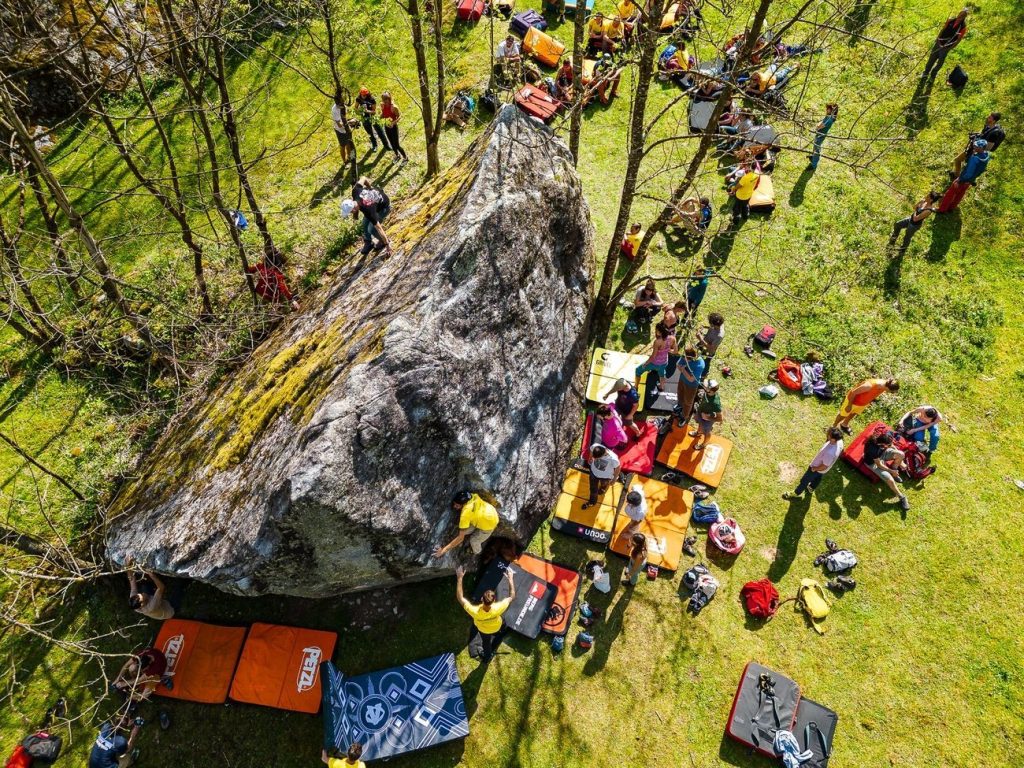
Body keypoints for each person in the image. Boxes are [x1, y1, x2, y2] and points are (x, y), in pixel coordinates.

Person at [456, 565, 514, 662]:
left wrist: (460, 578)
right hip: (497, 625)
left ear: (482, 599)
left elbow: (460, 597)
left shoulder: (474, 612)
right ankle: (502, 632)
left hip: (484, 631)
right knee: (503, 624)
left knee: (486, 644)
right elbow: (512, 596)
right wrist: (510, 579)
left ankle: (487, 657)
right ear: (494, 600)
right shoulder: (499, 607)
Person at [783, 426, 844, 499]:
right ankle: (811, 487)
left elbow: (824, 466)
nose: (827, 432)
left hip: (817, 468)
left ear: (833, 439)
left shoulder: (830, 453)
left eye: (829, 433)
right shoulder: (839, 442)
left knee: (804, 480)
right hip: (822, 471)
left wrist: (814, 469)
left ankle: (796, 493)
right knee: (818, 478)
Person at [432, 491, 499, 557]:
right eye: (454, 504)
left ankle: (476, 551)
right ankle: (475, 525)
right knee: (465, 531)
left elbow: (460, 538)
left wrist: (443, 551)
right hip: (489, 513)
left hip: (490, 525)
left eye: (457, 505)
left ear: (463, 504)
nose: (454, 507)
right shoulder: (473, 496)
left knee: (473, 540)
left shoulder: (465, 514)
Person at [343, 177, 392, 256]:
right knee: (365, 224)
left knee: (371, 229)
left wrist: (387, 246)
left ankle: (384, 242)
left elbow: (379, 228)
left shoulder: (368, 210)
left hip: (384, 208)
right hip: (376, 202)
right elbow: (363, 178)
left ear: (354, 208)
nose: (351, 213)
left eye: (351, 212)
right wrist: (370, 187)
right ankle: (368, 242)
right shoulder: (355, 191)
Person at [938, 138, 990, 213]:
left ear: (981, 148)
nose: (974, 146)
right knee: (960, 194)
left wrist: (960, 180)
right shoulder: (986, 155)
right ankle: (952, 207)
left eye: (976, 146)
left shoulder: (975, 158)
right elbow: (980, 170)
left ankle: (942, 209)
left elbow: (969, 172)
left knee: (950, 194)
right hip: (971, 180)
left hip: (963, 179)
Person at [832, 377, 900, 434]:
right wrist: (849, 405)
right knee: (843, 414)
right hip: (852, 402)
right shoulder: (869, 385)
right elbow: (853, 392)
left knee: (852, 414)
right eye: (892, 392)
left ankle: (844, 424)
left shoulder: (884, 386)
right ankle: (833, 427)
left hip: (862, 404)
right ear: (887, 388)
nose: (892, 393)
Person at [863, 431, 910, 510]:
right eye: (887, 445)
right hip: (873, 463)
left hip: (882, 454)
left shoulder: (885, 438)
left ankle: (895, 470)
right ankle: (902, 497)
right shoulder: (873, 449)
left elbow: (892, 446)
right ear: (881, 444)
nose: (889, 446)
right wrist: (891, 471)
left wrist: (901, 461)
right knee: (890, 480)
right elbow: (879, 465)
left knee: (901, 454)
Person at [953, 112, 1005, 177]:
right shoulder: (988, 126)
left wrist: (975, 141)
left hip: (978, 154)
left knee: (967, 169)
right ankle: (956, 175)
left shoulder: (994, 134)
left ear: (994, 121)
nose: (987, 118)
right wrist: (976, 135)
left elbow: (988, 148)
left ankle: (959, 179)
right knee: (957, 160)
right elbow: (982, 134)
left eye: (989, 118)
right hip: (973, 149)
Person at [922, 9, 968, 81]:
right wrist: (937, 38)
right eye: (960, 14)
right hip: (939, 42)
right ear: (958, 13)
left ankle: (932, 76)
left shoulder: (963, 27)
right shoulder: (950, 20)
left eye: (963, 15)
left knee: (939, 63)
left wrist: (950, 48)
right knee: (931, 58)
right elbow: (943, 29)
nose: (960, 16)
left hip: (946, 47)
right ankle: (925, 73)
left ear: (964, 17)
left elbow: (958, 40)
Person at [634, 323, 676, 395]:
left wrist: (645, 363)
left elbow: (653, 356)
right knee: (662, 374)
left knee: (638, 370)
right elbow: (675, 351)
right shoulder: (672, 338)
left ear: (659, 332)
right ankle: (661, 387)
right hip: (664, 362)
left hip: (654, 363)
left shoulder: (657, 342)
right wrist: (666, 350)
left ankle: (636, 387)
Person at [582, 444, 621, 509]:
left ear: (602, 455)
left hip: (605, 477)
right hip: (593, 473)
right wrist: (590, 457)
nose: (595, 459)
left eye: (596, 458)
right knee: (593, 489)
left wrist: (614, 479)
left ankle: (602, 488)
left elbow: (618, 468)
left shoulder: (613, 458)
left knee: (604, 484)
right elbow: (591, 449)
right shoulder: (595, 446)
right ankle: (592, 502)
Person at [674, 346, 705, 425]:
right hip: (682, 380)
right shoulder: (685, 356)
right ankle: (679, 406)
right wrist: (682, 369)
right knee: (680, 394)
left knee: (688, 402)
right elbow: (677, 364)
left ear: (692, 358)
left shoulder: (700, 364)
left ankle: (684, 417)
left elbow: (691, 379)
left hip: (691, 386)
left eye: (685, 358)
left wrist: (683, 369)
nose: (683, 358)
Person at [690, 378, 722, 450]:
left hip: (707, 420)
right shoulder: (707, 393)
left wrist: (708, 417)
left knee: (707, 432)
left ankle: (704, 444)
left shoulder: (715, 403)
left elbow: (720, 418)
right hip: (701, 412)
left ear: (709, 390)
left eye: (705, 386)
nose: (703, 385)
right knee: (700, 424)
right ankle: (698, 433)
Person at [355, 87, 390, 152]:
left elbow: (374, 111)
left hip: (372, 117)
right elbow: (356, 108)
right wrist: (360, 110)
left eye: (365, 95)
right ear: (360, 94)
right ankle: (375, 145)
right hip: (364, 118)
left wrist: (367, 111)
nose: (364, 96)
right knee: (370, 133)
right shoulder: (358, 99)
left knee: (380, 131)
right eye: (363, 95)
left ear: (367, 94)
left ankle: (386, 145)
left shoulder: (371, 99)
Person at [379, 92, 409, 163]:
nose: (386, 101)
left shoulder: (394, 107)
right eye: (384, 99)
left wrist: (393, 123)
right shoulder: (382, 105)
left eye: (387, 99)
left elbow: (399, 116)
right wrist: (379, 117)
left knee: (397, 145)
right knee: (391, 143)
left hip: (393, 127)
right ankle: (397, 155)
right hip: (386, 126)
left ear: (389, 98)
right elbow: (383, 114)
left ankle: (405, 157)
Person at [330, 90, 356, 166]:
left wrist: (349, 120)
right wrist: (350, 122)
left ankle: (350, 157)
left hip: (346, 129)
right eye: (341, 101)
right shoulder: (335, 110)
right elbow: (340, 125)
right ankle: (345, 161)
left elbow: (345, 117)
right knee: (343, 146)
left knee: (349, 143)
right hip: (340, 131)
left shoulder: (343, 105)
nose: (343, 102)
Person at [809, 103, 838, 169]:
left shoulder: (829, 119)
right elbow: (821, 122)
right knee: (815, 146)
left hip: (821, 135)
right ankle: (813, 157)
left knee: (817, 149)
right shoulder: (828, 117)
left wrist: (817, 127)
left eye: (828, 109)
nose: (826, 110)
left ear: (831, 111)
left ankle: (813, 165)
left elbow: (820, 126)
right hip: (819, 134)